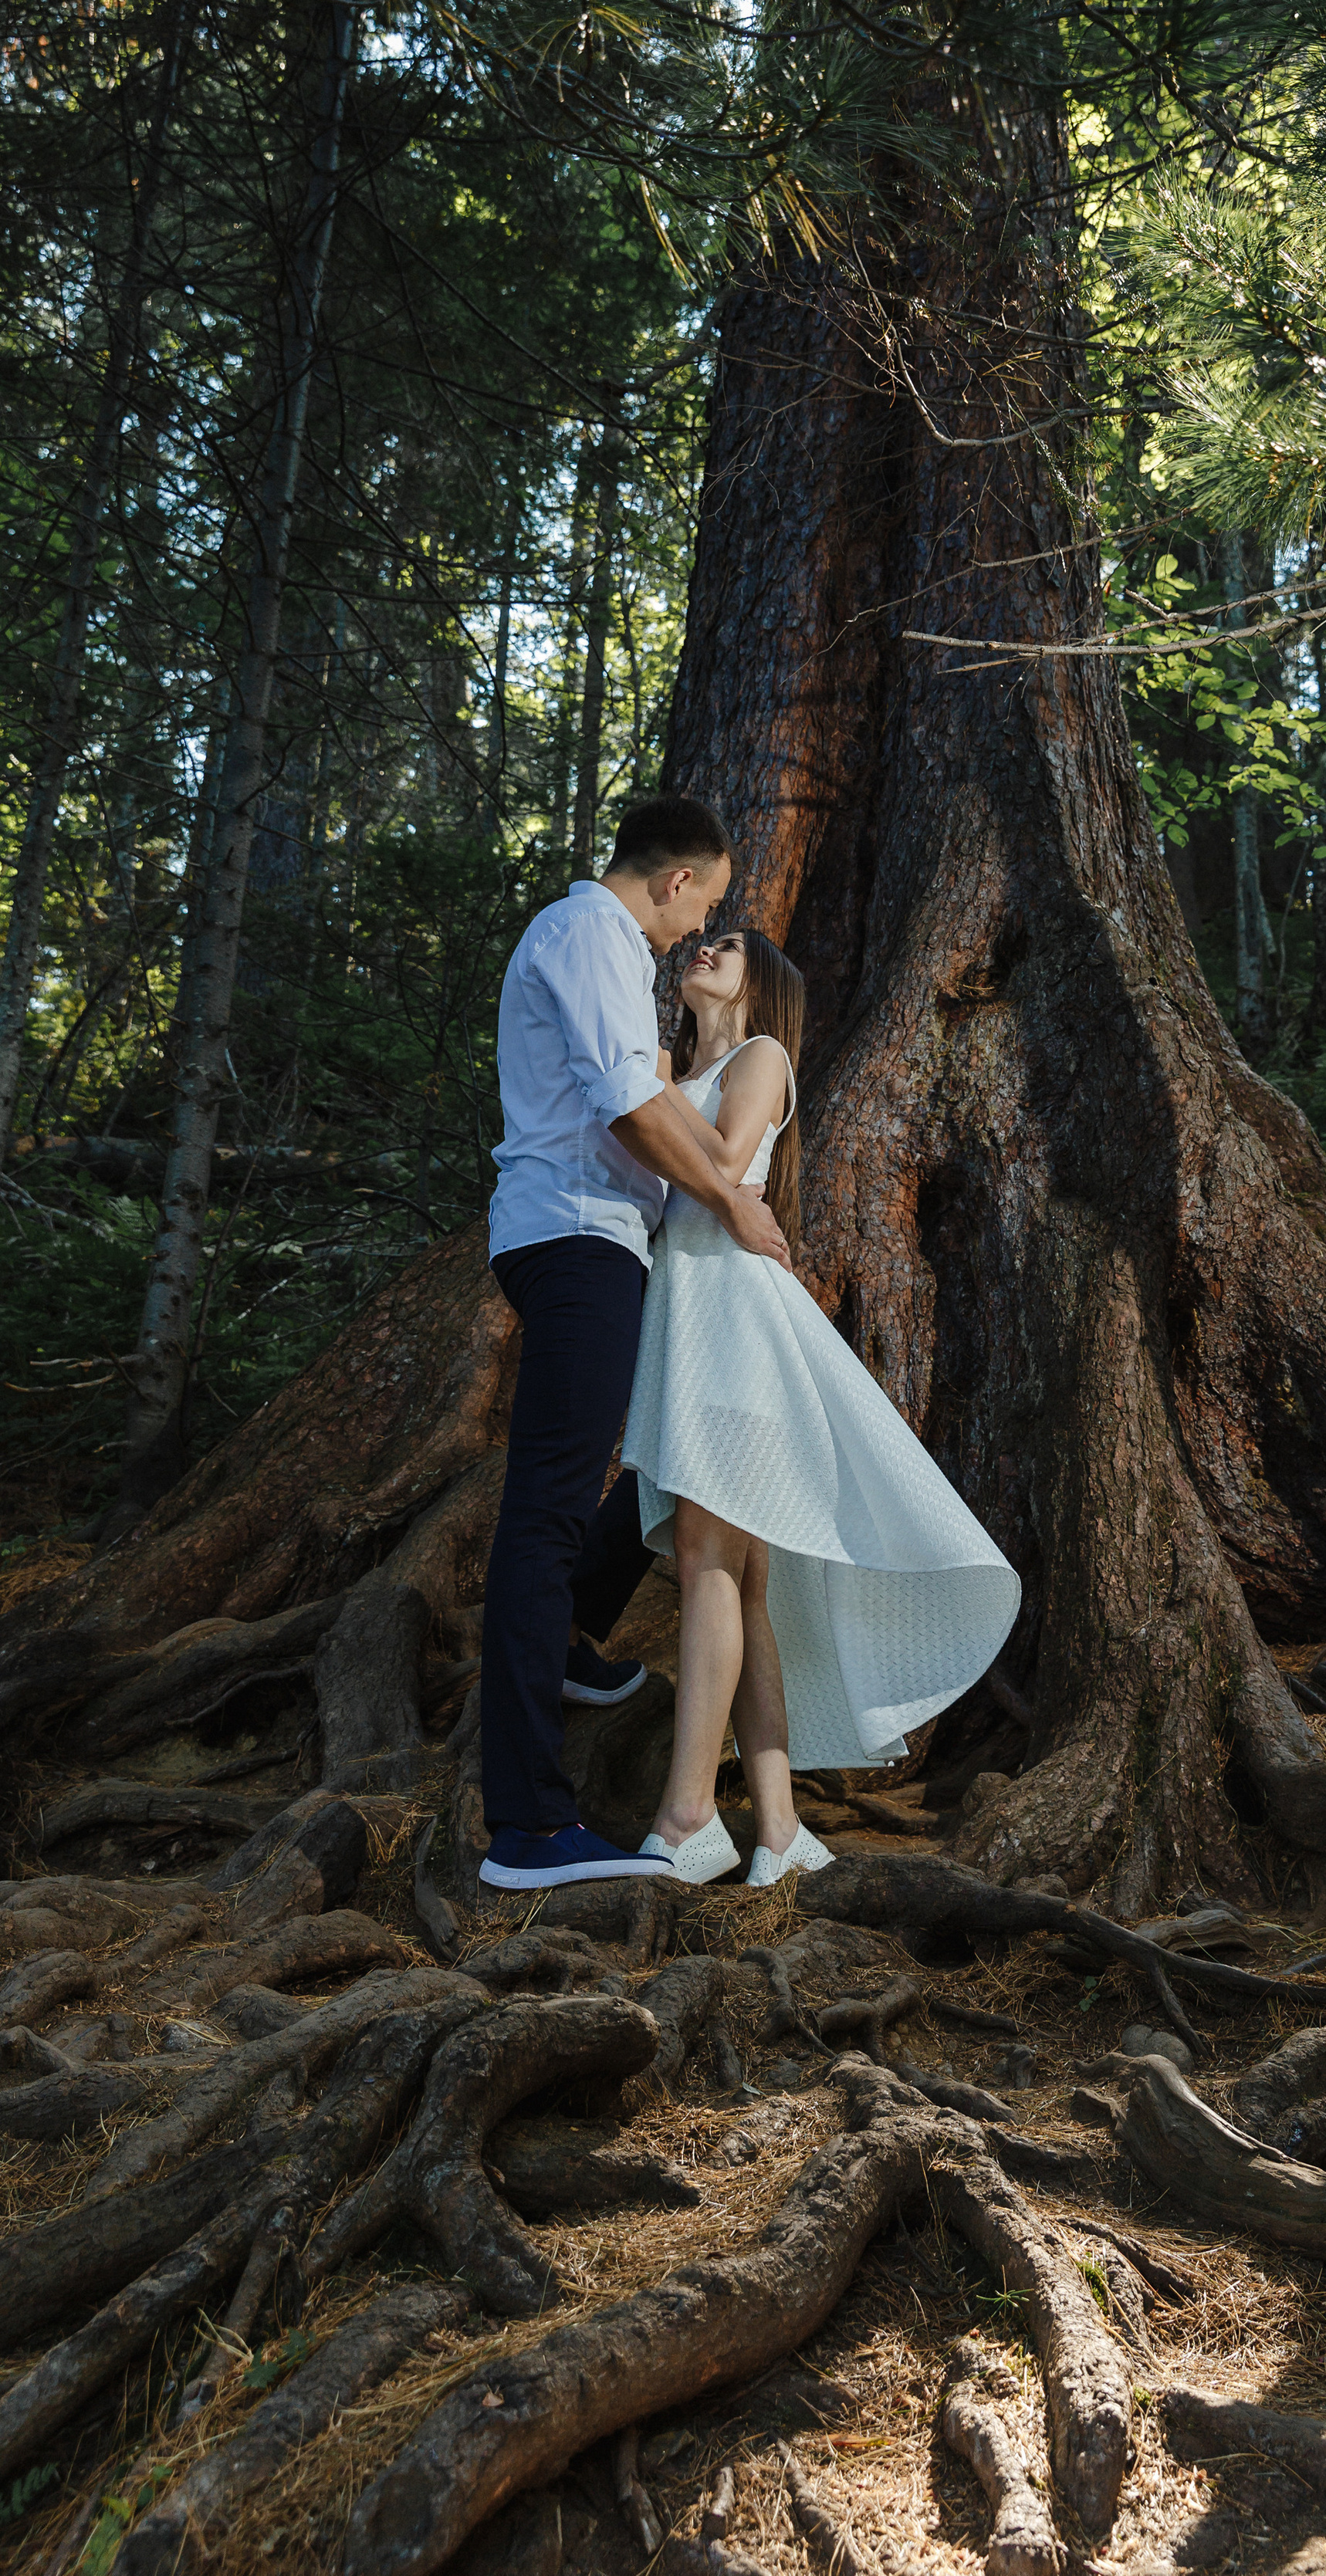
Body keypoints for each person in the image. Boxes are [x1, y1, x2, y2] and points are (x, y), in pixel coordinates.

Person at [621, 925, 1020, 1886]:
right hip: (692, 1322)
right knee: (744, 1580)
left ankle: (686, 1817)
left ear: (761, 981)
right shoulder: (681, 1070)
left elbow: (724, 1162)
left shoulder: (760, 1055)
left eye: (727, 946)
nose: (704, 951)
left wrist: (651, 1086)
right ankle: (782, 1831)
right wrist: (660, 1080)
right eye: (703, 942)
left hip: (736, 1330)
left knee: (705, 1558)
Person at [476, 795, 790, 1893]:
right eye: (706, 901)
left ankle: (566, 1637)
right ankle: (527, 1826)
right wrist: (733, 1202)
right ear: (677, 880)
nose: (700, 925)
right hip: (575, 1237)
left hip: (600, 1245)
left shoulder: (604, 948)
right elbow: (627, 1108)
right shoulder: (590, 934)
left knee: (635, 1472)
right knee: (547, 1513)